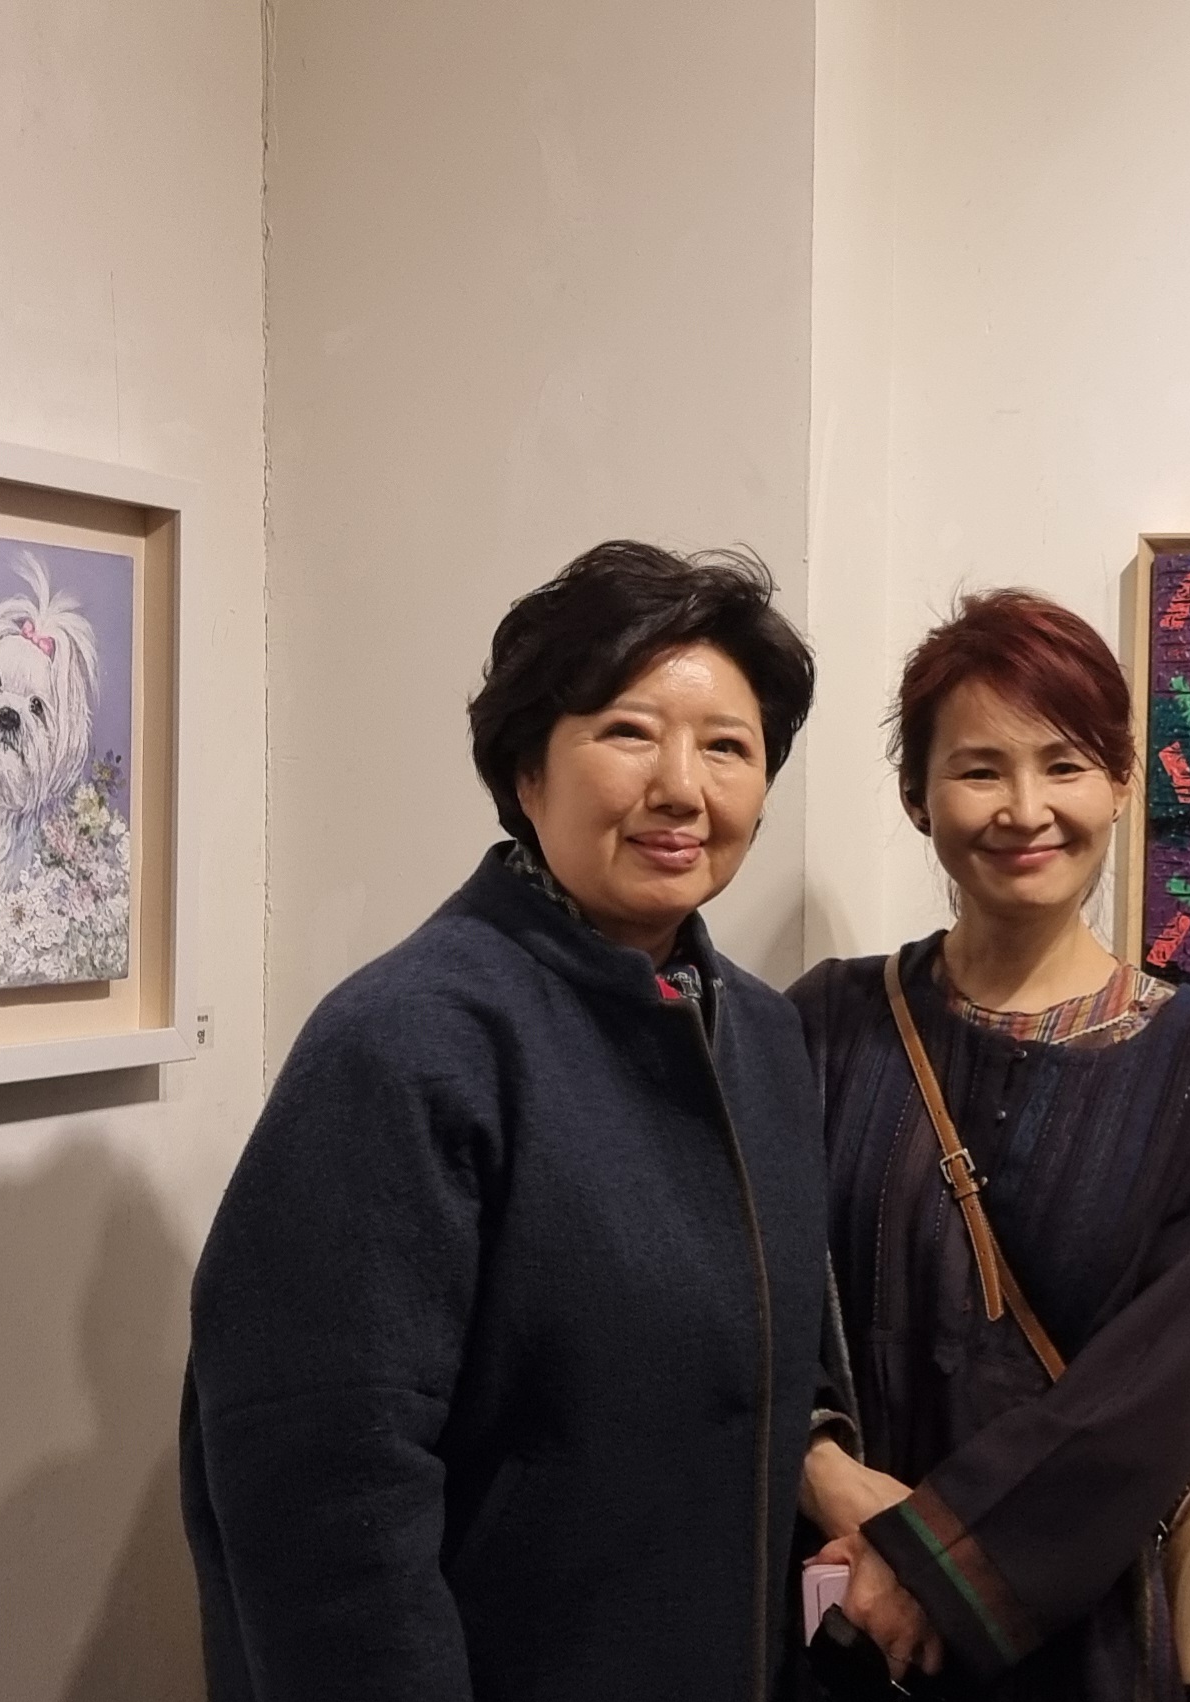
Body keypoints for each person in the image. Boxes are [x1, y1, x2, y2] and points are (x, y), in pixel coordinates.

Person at [180, 541, 830, 1702]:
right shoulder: (407, 1043)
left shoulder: (763, 1037)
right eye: (628, 732)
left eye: (728, 747)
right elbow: (324, 1489)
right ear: (527, 769)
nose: (682, 787)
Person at [790, 590, 1190, 1701]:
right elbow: (746, 1286)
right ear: (916, 796)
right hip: (829, 1614)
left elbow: (1158, 1386)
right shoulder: (825, 1023)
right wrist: (819, 1470)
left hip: (1074, 1640)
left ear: (1120, 780)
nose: (1024, 808)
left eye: (1063, 764)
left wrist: (930, 1565)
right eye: (978, 769)